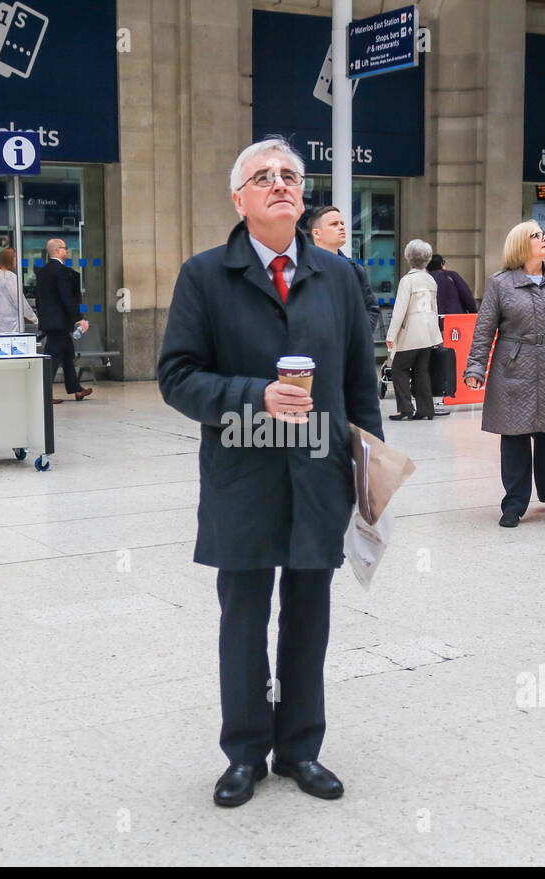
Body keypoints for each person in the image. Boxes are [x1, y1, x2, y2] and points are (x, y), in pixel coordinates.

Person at [157, 136, 382, 808]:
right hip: (242, 475)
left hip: (320, 473)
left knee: (310, 617)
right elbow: (176, 377)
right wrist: (255, 396)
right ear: (239, 199)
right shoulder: (204, 276)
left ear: (301, 194)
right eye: (263, 177)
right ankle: (245, 753)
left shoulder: (338, 276)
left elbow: (359, 382)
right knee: (244, 619)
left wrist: (370, 469)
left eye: (290, 174)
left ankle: (301, 750)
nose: (279, 183)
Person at [463, 221, 545, 528]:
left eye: (543, 234)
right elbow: (484, 331)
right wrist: (475, 368)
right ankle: (514, 503)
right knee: (515, 439)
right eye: (537, 235)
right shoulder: (500, 283)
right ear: (521, 244)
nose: (544, 238)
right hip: (513, 371)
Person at [385, 239, 442, 421]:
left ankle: (405, 409)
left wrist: (391, 335)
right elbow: (435, 308)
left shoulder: (407, 281)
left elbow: (399, 310)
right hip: (429, 332)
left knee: (398, 368)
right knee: (421, 369)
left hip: (411, 332)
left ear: (408, 257)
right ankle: (426, 410)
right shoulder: (431, 279)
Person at [307, 204, 381, 332]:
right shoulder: (303, 269)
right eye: (334, 224)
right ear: (316, 233)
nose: (341, 227)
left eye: (342, 223)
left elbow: (371, 308)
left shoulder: (355, 270)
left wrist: (360, 337)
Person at [35, 237, 90, 403]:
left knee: (67, 354)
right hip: (59, 323)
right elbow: (67, 298)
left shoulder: (43, 271)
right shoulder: (60, 271)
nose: (67, 251)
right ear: (58, 250)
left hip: (51, 321)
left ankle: (76, 389)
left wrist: (41, 317)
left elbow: (39, 298)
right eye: (65, 248)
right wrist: (78, 320)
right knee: (52, 358)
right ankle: (43, 394)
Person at [0, 247, 37, 334]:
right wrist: (34, 319)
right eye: (16, 259)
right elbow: (19, 301)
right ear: (9, 260)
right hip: (8, 326)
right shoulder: (9, 277)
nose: (17, 262)